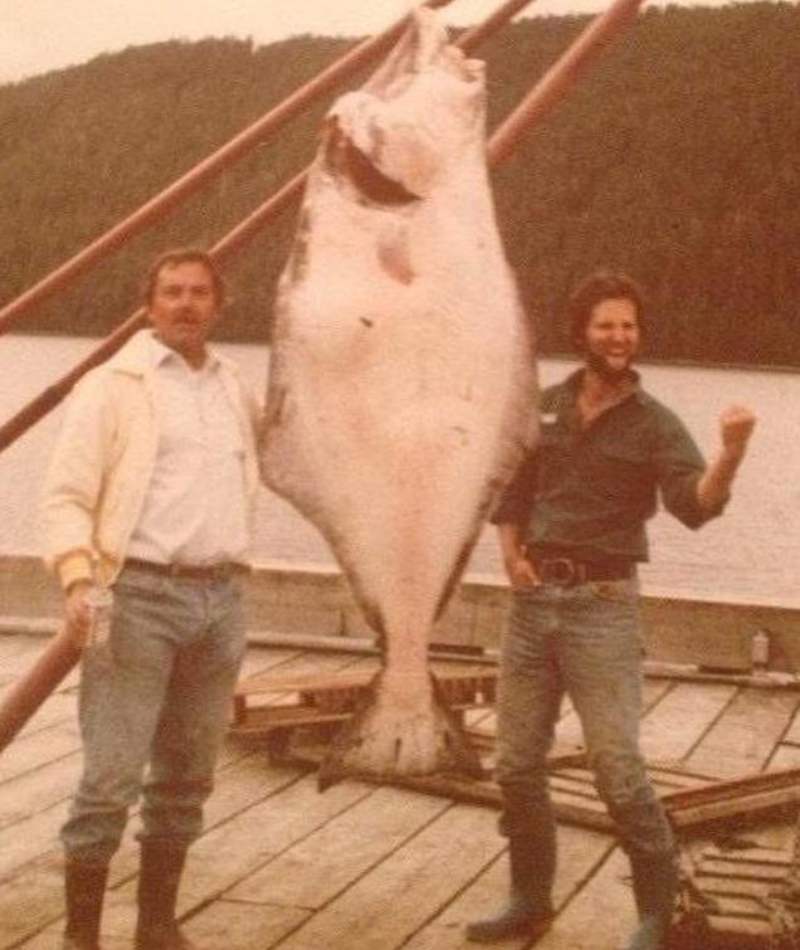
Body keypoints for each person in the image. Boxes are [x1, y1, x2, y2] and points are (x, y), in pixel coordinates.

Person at [466, 271, 756, 949]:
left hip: (604, 606)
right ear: (582, 333)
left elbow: (696, 507)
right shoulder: (543, 408)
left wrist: (732, 454)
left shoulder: (657, 424)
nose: (619, 336)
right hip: (533, 605)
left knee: (617, 767)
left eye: (629, 325)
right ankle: (529, 899)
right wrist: (512, 556)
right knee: (515, 764)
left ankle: (658, 910)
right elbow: (511, 493)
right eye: (606, 324)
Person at [40, 249, 262, 950]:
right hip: (134, 598)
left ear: (217, 306)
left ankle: (156, 927)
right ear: (148, 304)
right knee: (110, 777)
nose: (186, 304)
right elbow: (66, 498)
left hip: (221, 601)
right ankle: (82, 936)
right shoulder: (113, 386)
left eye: (199, 293)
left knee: (188, 778)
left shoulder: (233, 387)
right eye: (172, 292)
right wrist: (79, 579)